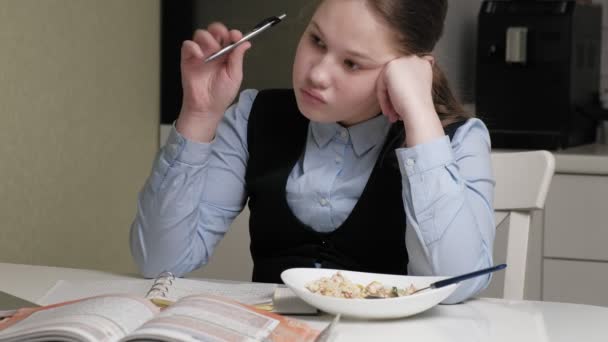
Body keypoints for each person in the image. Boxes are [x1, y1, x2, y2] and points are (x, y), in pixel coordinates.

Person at [130, 0, 495, 304]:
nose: (317, 74)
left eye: (352, 63)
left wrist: (419, 115)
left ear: (410, 70)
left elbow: (454, 287)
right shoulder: (252, 116)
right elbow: (161, 260)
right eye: (317, 41)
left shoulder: (458, 141)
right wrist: (199, 114)